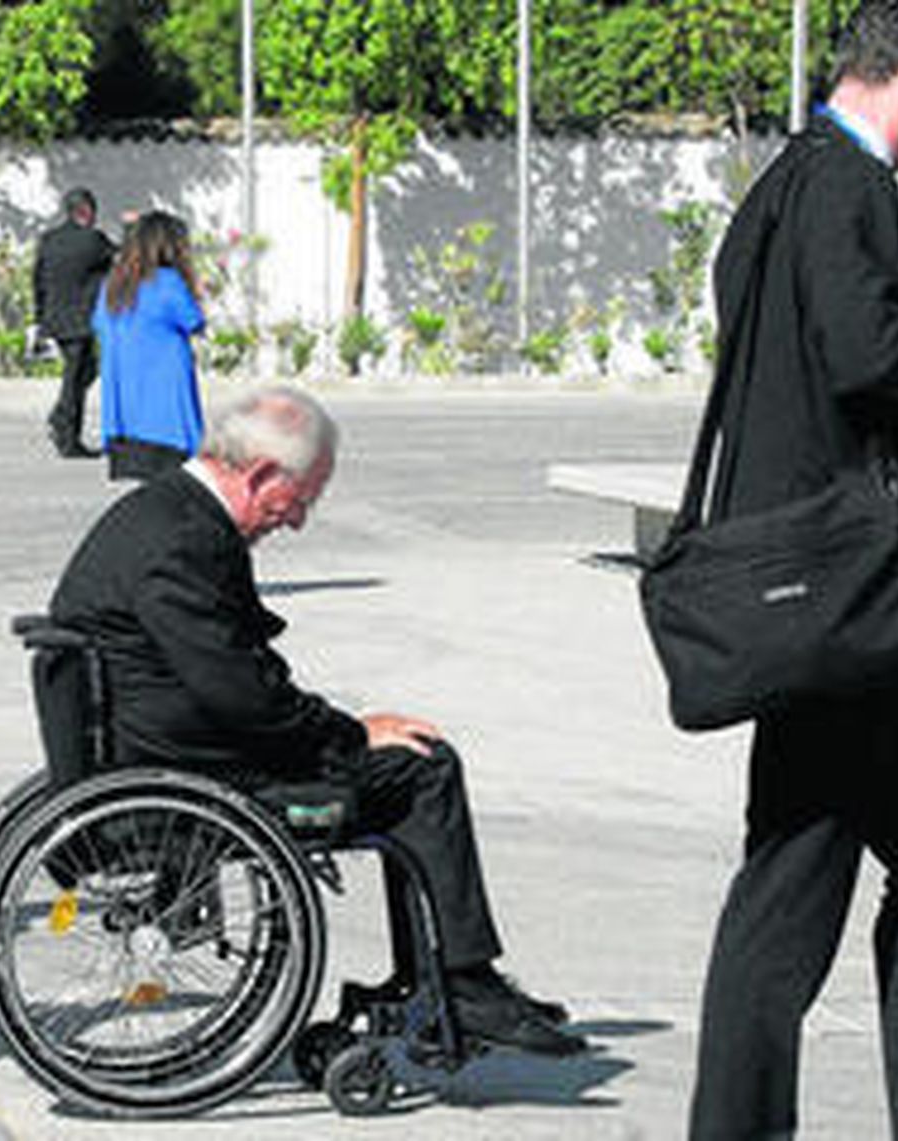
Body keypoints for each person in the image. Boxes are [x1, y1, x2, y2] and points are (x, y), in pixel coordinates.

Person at [686, 3, 898, 1138]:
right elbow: (867, 361)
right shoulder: (848, 185)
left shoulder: (775, 189)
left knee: (816, 877)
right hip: (843, 599)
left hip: (800, 594)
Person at [49, 385, 585, 1057]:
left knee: (403, 761)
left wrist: (339, 729)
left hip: (166, 748)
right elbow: (243, 696)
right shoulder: (183, 540)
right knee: (423, 768)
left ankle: (443, 975)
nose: (296, 520)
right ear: (263, 473)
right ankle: (461, 983)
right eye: (300, 498)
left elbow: (234, 679)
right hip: (195, 772)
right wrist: (351, 734)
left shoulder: (163, 514)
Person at [92, 210, 206, 482]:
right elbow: (194, 321)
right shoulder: (168, 283)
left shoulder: (113, 285)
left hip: (124, 423)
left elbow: (98, 323)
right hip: (168, 424)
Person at [34, 186, 115, 458]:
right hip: (81, 319)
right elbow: (119, 258)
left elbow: (37, 280)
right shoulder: (93, 241)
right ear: (86, 211)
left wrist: (40, 318)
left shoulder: (48, 239)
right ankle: (68, 437)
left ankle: (61, 418)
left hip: (55, 318)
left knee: (83, 370)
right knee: (76, 375)